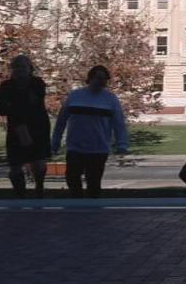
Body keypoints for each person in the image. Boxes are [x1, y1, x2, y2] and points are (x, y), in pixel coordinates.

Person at [51, 65, 130, 198]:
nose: (102, 82)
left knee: (94, 182)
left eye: (104, 79)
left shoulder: (111, 99)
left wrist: (122, 144)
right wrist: (55, 142)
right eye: (99, 78)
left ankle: (93, 208)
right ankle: (76, 204)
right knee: (72, 178)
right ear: (90, 78)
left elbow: (119, 123)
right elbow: (61, 121)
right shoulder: (75, 96)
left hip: (99, 149)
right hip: (75, 147)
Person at [0, 55, 51, 198]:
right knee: (15, 166)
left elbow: (34, 102)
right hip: (16, 128)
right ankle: (19, 194)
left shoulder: (37, 83)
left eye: (22, 67)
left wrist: (13, 106)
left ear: (30, 69)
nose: (19, 70)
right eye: (16, 67)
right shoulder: (6, 86)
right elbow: (2, 109)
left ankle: (39, 188)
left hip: (37, 128)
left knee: (39, 164)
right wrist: (19, 106)